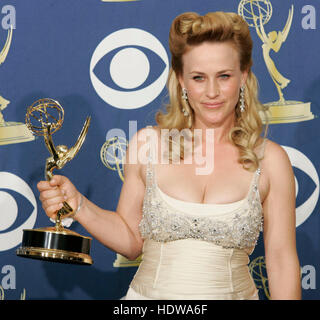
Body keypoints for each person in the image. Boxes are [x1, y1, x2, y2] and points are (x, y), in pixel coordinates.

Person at [37, 11, 301, 300]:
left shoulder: (270, 160)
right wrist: (79, 205)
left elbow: (280, 261)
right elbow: (131, 240)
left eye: (223, 76)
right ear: (181, 80)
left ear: (244, 75)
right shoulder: (148, 144)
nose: (212, 92)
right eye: (198, 78)